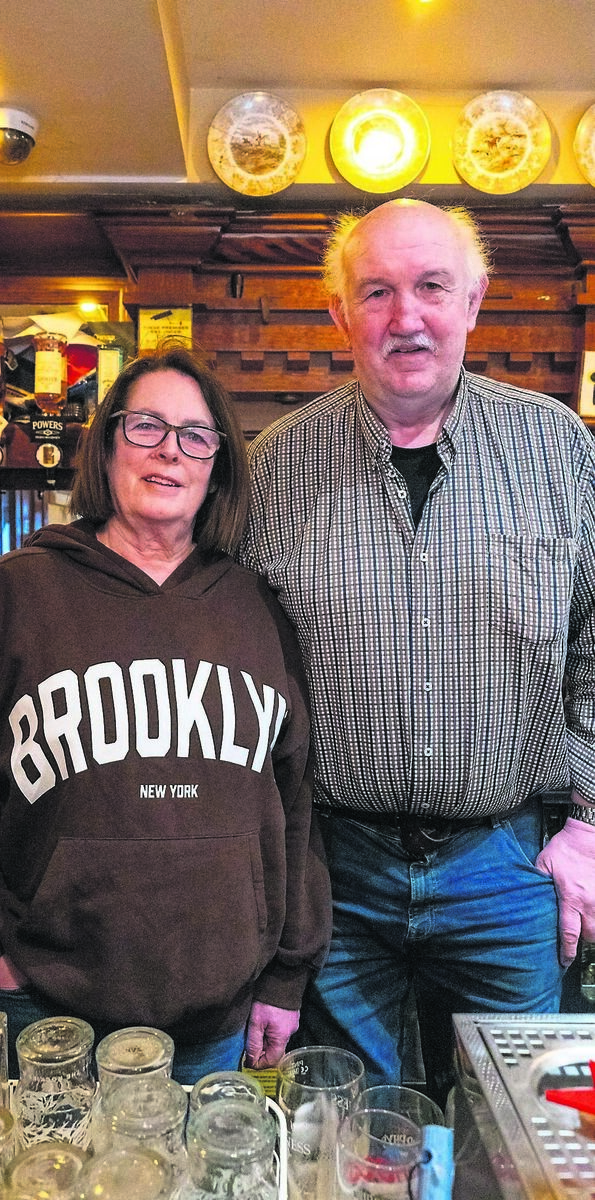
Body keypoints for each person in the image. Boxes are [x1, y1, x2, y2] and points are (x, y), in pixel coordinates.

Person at [238, 199, 595, 1107]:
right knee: (349, 1123)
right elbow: (236, 673)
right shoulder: (275, 465)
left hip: (508, 865)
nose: (407, 316)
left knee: (522, 1124)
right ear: (337, 313)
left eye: (432, 287)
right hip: (334, 872)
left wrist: (588, 825)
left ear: (473, 301)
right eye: (377, 291)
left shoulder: (556, 449)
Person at [0, 341, 331, 1082]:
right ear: (107, 441)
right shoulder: (21, 592)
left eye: (195, 436)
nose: (169, 452)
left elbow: (293, 801)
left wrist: (284, 976)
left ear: (217, 467)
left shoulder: (257, 609)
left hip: (214, 1003)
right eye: (145, 425)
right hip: (42, 1003)